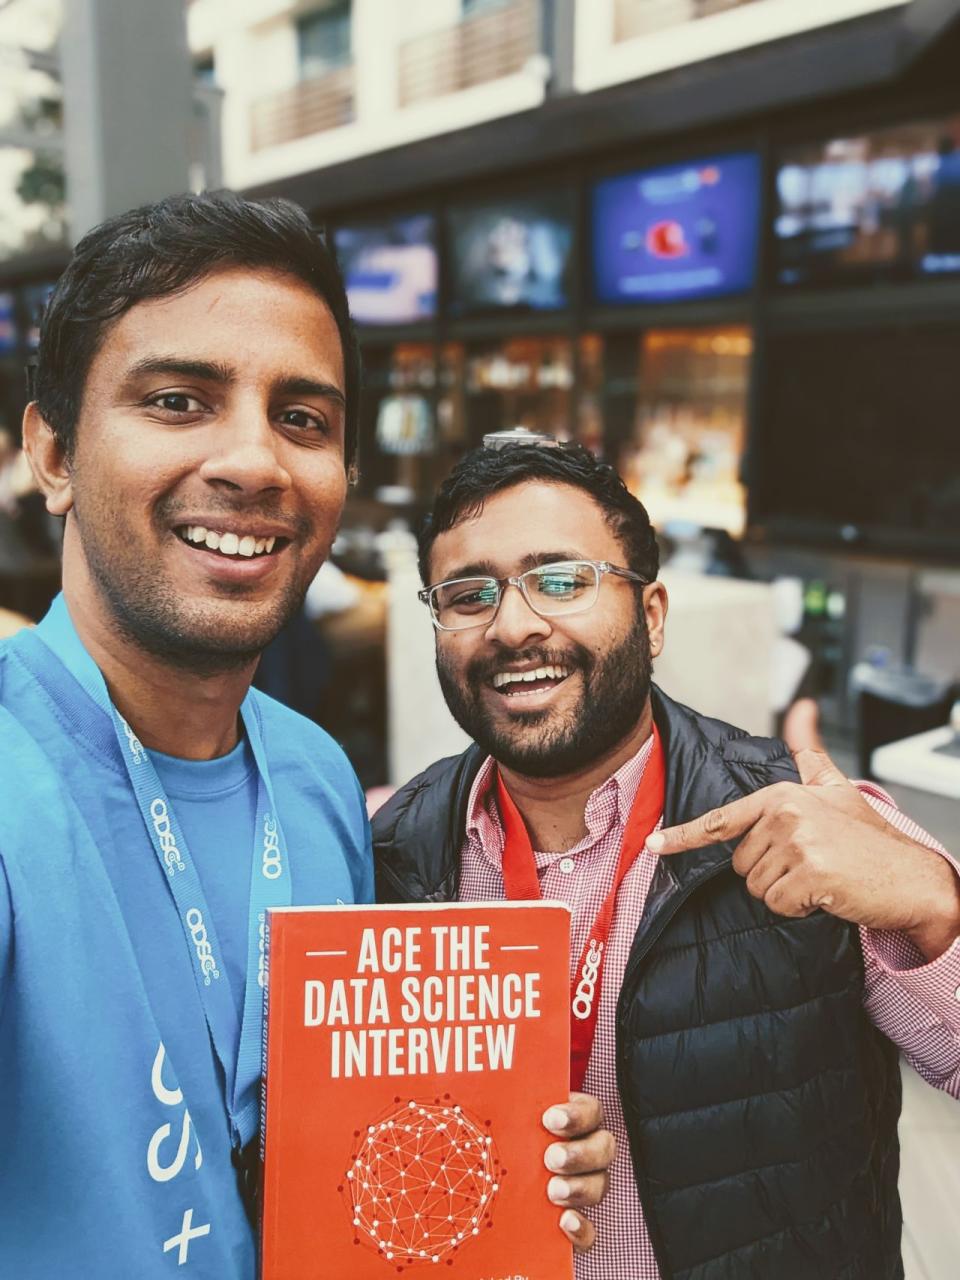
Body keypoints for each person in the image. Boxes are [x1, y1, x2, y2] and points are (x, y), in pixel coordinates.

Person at [0, 194, 607, 1278]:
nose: (255, 462)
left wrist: (499, 1154)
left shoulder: (317, 774)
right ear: (52, 453)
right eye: (179, 399)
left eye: (305, 418)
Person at [371, 441, 960, 1280]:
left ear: (651, 615)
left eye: (562, 580)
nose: (512, 625)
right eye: (470, 594)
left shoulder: (813, 828)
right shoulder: (394, 852)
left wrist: (934, 902)